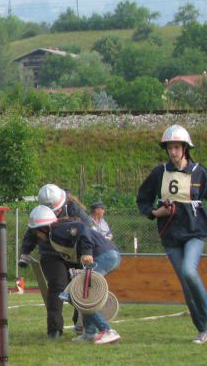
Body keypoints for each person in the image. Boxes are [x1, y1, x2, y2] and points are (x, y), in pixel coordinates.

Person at [137, 124, 207, 344]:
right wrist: (155, 212)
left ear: (185, 148)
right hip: (170, 235)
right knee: (186, 283)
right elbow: (143, 199)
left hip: (195, 231)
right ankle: (203, 329)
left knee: (189, 271)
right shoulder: (160, 172)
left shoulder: (199, 172)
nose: (173, 151)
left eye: (177, 147)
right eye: (169, 147)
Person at [27, 205, 121, 345]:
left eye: (36, 232)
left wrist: (87, 252)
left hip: (104, 256)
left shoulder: (57, 230)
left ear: (43, 228)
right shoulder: (56, 232)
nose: (36, 236)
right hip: (108, 255)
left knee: (79, 296)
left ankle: (106, 330)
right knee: (80, 295)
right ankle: (89, 333)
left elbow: (82, 229)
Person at [18, 183, 91, 338]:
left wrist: (87, 252)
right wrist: (24, 252)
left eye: (56, 210)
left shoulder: (73, 209)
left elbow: (87, 230)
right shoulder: (40, 212)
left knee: (80, 286)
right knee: (57, 286)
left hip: (74, 254)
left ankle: (81, 322)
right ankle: (54, 329)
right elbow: (32, 231)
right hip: (51, 254)